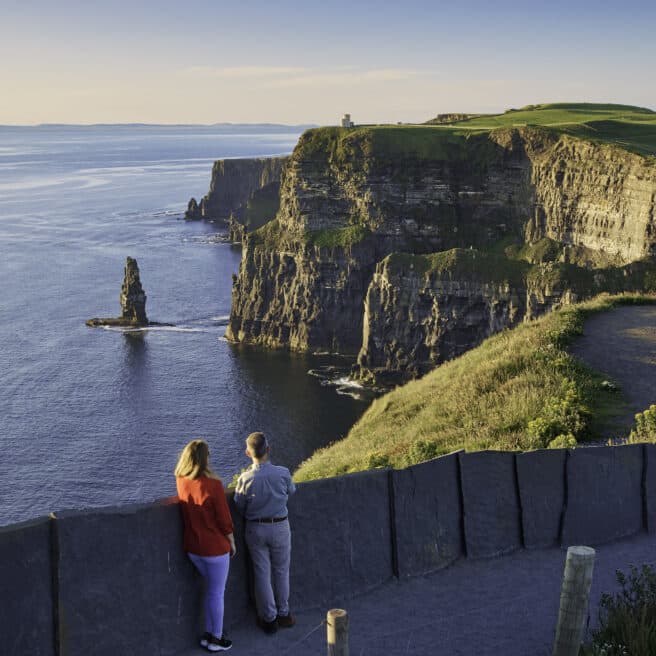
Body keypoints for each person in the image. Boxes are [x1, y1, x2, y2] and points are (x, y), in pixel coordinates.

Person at [175, 439, 236, 652]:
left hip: (193, 548)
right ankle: (216, 639)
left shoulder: (181, 480)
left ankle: (208, 635)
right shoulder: (213, 485)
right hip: (214, 549)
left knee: (212, 591)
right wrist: (231, 540)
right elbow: (224, 520)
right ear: (204, 459)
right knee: (216, 593)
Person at [234, 431, 296, 634]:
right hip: (280, 525)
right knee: (281, 571)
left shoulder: (245, 478)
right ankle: (284, 614)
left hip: (256, 527)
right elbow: (291, 491)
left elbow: (239, 504)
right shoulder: (283, 472)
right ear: (268, 450)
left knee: (262, 573)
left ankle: (269, 619)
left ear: (247, 453)